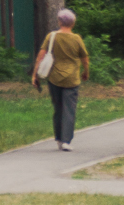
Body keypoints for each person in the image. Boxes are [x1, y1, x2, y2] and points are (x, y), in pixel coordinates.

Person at [33, 8, 90, 151]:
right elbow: (85, 58)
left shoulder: (51, 36)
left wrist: (35, 75)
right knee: (69, 110)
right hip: (72, 79)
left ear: (59, 22)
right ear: (73, 23)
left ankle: (59, 138)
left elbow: (41, 56)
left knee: (58, 109)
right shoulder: (76, 39)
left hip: (54, 78)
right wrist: (86, 72)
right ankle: (66, 141)